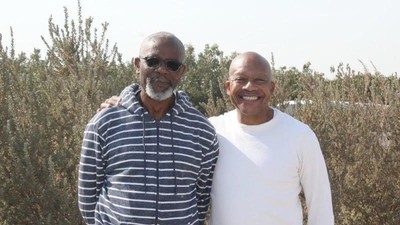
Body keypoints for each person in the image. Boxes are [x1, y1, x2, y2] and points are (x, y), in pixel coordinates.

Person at [99, 52, 334, 225]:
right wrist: (121, 105)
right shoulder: (210, 131)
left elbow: (320, 208)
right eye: (241, 80)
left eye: (259, 80)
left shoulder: (300, 136)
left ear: (272, 88)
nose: (250, 87)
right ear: (228, 86)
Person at [78, 31, 219, 225]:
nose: (161, 70)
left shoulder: (201, 131)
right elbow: (88, 195)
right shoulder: (104, 123)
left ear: (181, 71)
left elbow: (201, 198)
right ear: (137, 65)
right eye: (153, 61)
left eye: (172, 65)